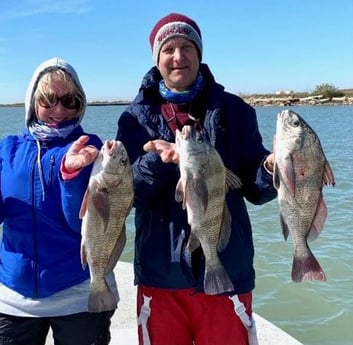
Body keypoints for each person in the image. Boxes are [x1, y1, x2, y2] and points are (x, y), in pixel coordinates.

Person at [115, 13, 277, 345]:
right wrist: (159, 162)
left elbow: (256, 189)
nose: (178, 57)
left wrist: (273, 169)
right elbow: (127, 195)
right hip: (161, 275)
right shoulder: (133, 119)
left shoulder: (235, 111)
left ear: (199, 53)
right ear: (157, 59)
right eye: (168, 49)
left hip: (228, 270)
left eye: (187, 46)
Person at [0, 57, 117, 345]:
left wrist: (70, 175)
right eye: (49, 99)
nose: (59, 109)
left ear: (80, 104)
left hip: (79, 292)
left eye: (69, 100)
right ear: (32, 101)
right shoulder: (8, 148)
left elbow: (79, 225)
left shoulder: (89, 147)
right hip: (11, 295)